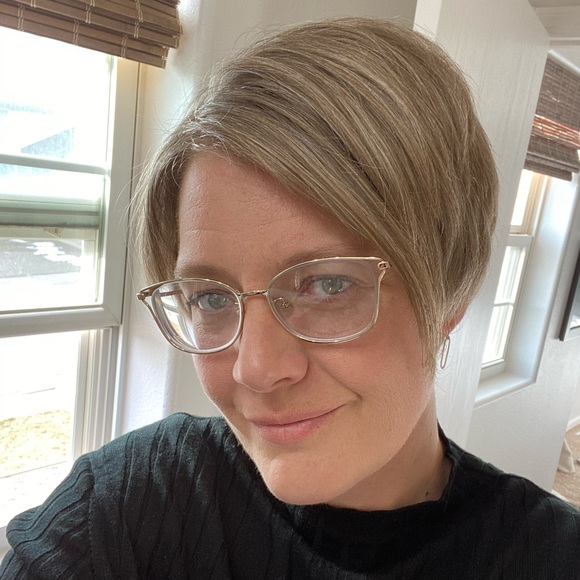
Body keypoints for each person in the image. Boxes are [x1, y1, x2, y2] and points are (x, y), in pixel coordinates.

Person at [1, 17, 579, 580]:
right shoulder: (127, 504)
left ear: (452, 294)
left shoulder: (552, 555)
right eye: (210, 297)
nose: (254, 370)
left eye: (328, 285)